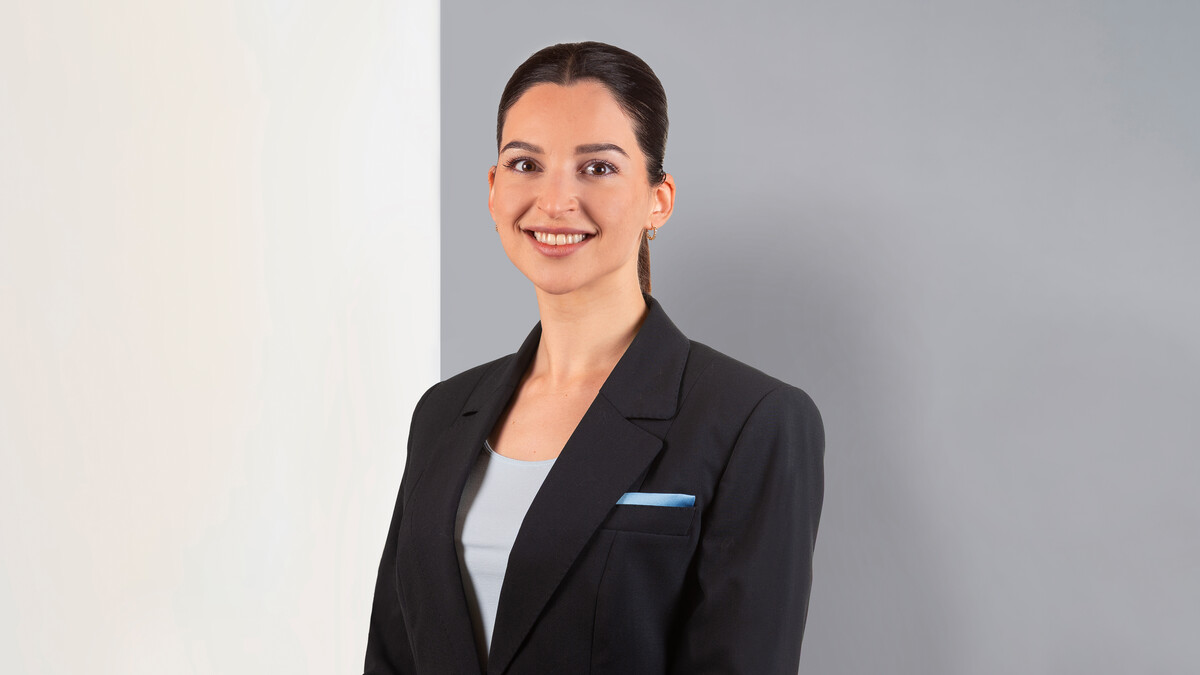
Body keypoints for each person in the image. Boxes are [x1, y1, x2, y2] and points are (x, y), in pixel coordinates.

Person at [364, 41, 824, 675]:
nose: (555, 201)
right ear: (494, 190)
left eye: (598, 168)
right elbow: (393, 657)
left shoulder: (752, 420)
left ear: (658, 199)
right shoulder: (441, 414)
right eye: (525, 164)